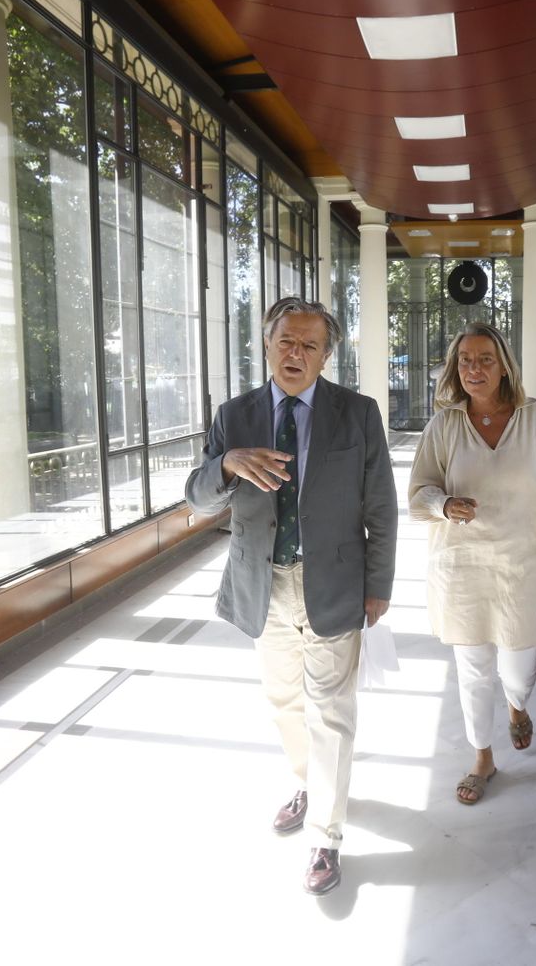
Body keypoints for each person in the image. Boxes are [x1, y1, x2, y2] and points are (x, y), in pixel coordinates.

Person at [186, 296, 397, 895]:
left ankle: (326, 837)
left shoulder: (357, 413)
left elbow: (381, 505)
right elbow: (198, 497)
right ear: (266, 344)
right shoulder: (234, 416)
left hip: (334, 581)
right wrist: (228, 464)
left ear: (326, 355)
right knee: (284, 702)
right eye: (286, 341)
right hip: (264, 584)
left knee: (331, 709)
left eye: (309, 345)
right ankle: (307, 782)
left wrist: (379, 584)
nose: (295, 354)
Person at [408, 322, 536, 805]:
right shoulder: (444, 425)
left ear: (504, 366)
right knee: (473, 669)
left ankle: (516, 705)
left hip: (523, 565)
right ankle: (482, 757)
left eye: (485, 359)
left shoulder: (533, 418)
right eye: (465, 360)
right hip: (462, 566)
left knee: (518, 668)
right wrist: (444, 504)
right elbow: (418, 494)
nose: (474, 368)